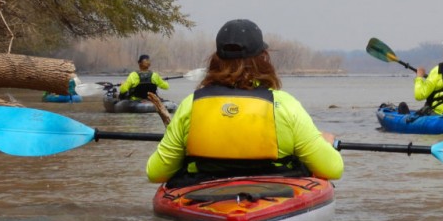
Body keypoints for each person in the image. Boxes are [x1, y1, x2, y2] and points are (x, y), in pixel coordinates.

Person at [146, 19, 344, 185]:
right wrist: (325, 143)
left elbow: (155, 173)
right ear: (263, 59)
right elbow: (333, 169)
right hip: (272, 195)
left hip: (204, 196)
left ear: (216, 60)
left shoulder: (191, 105)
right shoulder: (285, 105)